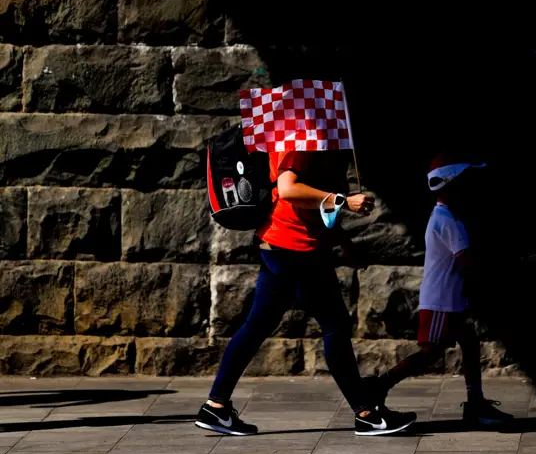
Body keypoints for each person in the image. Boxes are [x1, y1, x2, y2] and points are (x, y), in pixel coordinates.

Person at [195, 149, 417, 436]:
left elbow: (312, 198)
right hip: (295, 249)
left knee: (256, 326)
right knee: (335, 326)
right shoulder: (298, 140)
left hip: (280, 245)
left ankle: (216, 406)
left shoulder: (305, 137)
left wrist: (342, 241)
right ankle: (366, 413)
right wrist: (345, 202)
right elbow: (289, 190)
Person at [363, 152, 514, 426]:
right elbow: (468, 262)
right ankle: (378, 387)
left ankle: (476, 404)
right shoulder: (448, 220)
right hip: (442, 302)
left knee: (469, 344)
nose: (471, 185)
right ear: (452, 184)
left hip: (452, 300)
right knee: (429, 353)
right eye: (465, 180)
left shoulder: (447, 215)